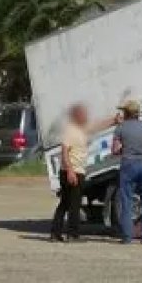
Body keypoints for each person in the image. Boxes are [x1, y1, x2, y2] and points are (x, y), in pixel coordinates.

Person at [112, 99, 142, 245]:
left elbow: (114, 150)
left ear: (126, 113)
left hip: (129, 164)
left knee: (127, 201)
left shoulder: (120, 128)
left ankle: (127, 237)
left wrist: (124, 150)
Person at [51, 104, 90, 243]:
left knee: (65, 203)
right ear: (76, 116)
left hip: (73, 171)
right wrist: (70, 171)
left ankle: (55, 233)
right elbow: (64, 151)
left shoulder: (79, 130)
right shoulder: (70, 131)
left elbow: (97, 125)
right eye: (83, 114)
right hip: (73, 171)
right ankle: (73, 234)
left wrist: (112, 121)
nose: (86, 116)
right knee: (74, 204)